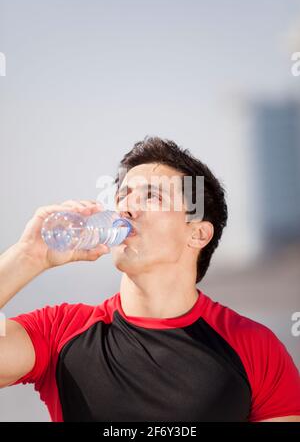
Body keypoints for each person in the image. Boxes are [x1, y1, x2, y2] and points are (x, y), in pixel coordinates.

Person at [0, 136, 299, 422]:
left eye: (152, 196)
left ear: (197, 234)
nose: (126, 208)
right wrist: (26, 256)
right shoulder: (60, 333)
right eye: (123, 196)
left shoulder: (256, 348)